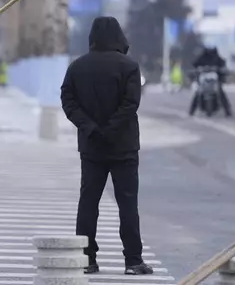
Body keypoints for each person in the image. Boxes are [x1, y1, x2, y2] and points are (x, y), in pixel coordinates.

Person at [60, 16, 153, 276]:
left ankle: (87, 259)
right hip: (123, 146)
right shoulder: (129, 67)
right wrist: (111, 129)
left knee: (88, 202)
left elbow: (68, 100)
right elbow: (130, 103)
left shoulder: (77, 67)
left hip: (91, 147)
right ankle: (133, 261)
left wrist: (89, 127)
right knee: (127, 203)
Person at [189, 46, 232, 116]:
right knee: (198, 93)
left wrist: (222, 70)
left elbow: (223, 66)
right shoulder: (201, 58)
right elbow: (195, 65)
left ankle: (228, 111)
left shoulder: (218, 59)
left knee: (221, 92)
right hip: (204, 81)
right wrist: (196, 71)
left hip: (214, 81)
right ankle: (191, 111)